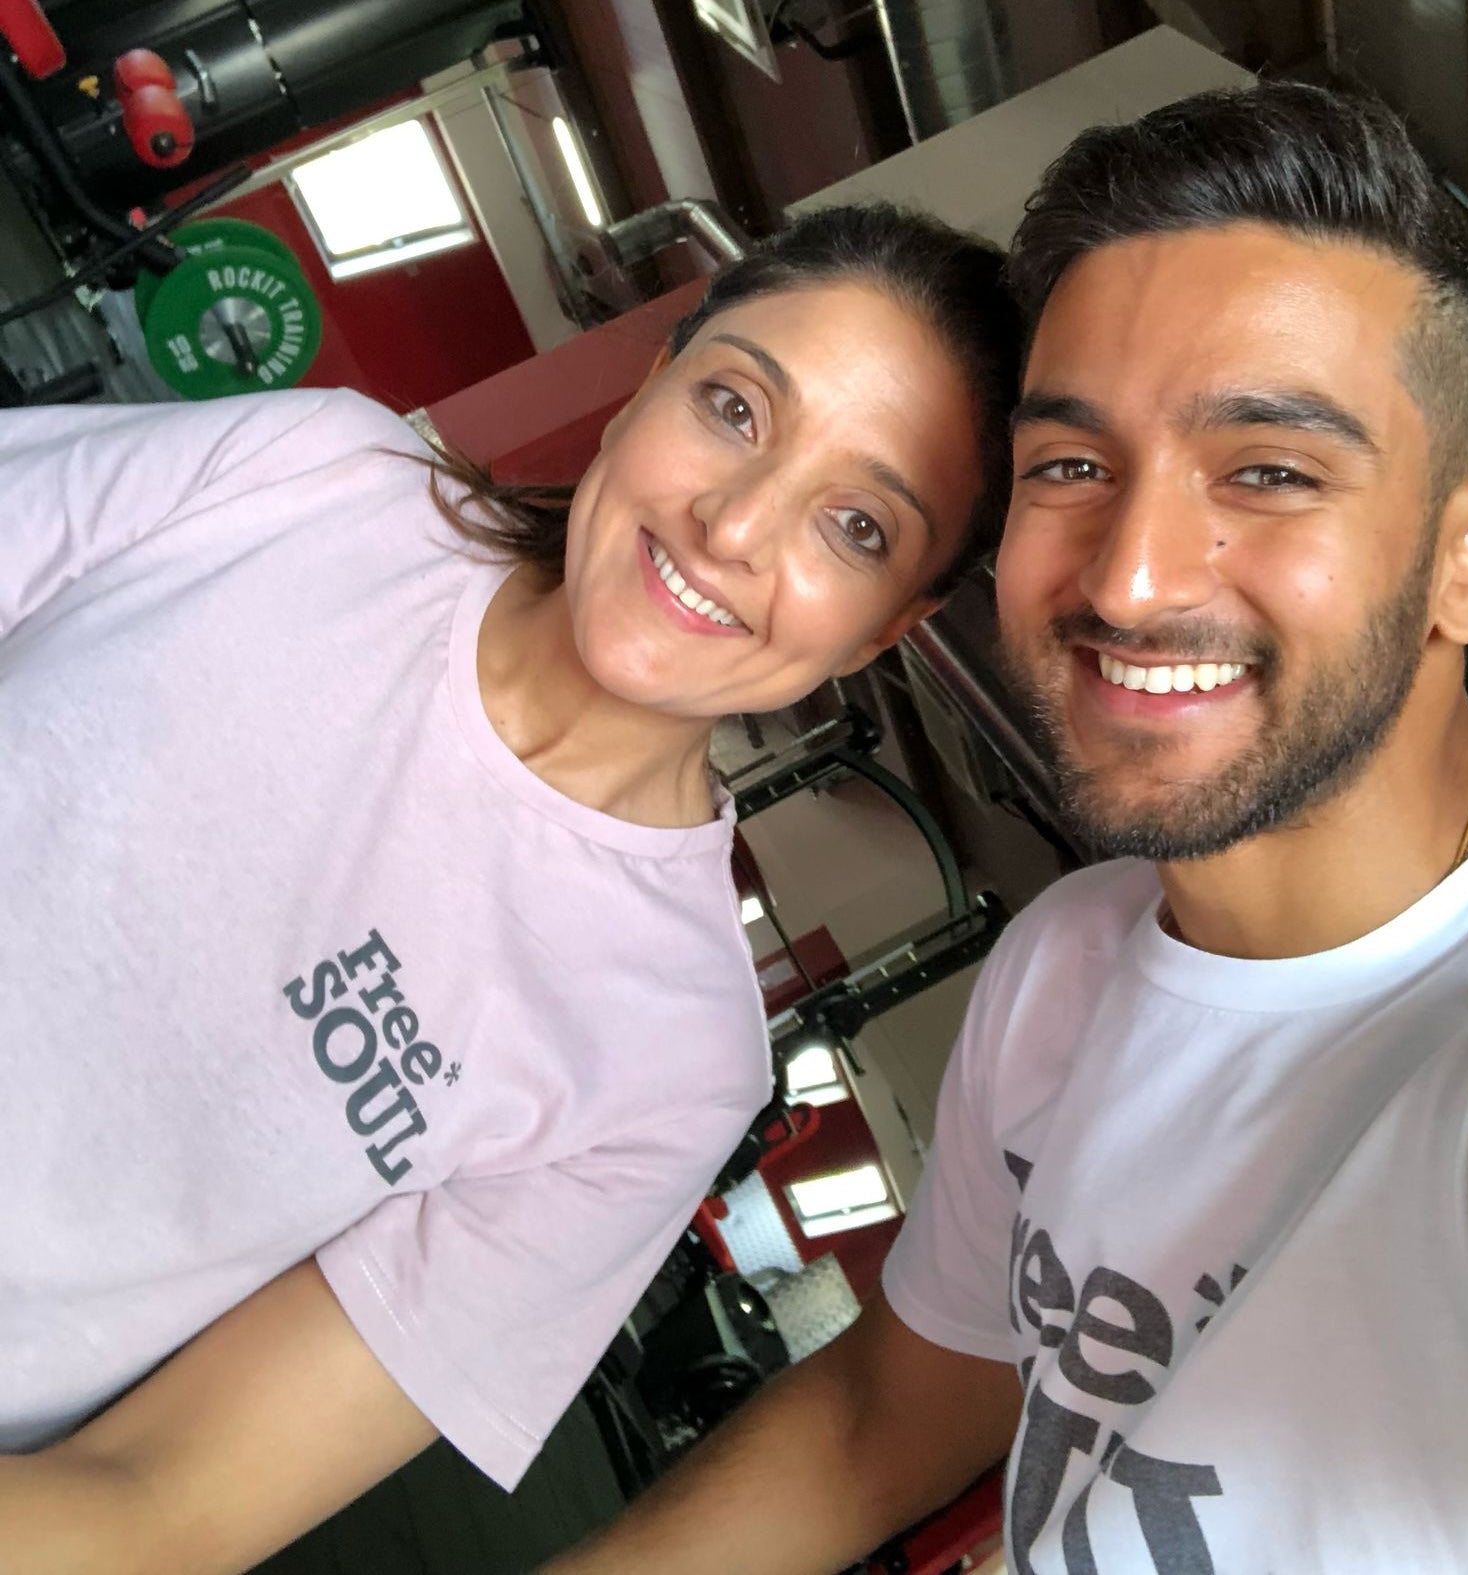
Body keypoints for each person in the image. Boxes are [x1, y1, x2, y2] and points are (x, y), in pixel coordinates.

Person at [544, 82, 1468, 1575]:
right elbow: (888, 1413)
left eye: (1265, 472)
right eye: (1069, 468)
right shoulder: (1059, 972)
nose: (1128, 579)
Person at [0, 202, 1023, 1571]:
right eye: (732, 407)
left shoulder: (666, 1065)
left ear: (884, 631)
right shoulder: (305, 474)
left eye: (852, 524)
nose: (730, 524)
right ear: (647, 383)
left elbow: (159, 1500)